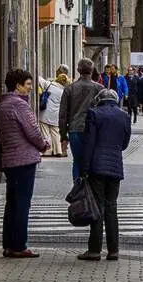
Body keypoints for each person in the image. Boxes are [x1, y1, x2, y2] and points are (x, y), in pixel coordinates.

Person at [0, 68, 48, 258]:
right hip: (24, 159)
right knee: (22, 204)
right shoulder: (20, 106)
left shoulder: (3, 105)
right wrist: (44, 145)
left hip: (10, 159)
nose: (30, 88)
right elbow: (33, 132)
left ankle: (9, 243)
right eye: (27, 84)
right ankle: (19, 244)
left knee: (12, 203)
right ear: (18, 86)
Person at [78, 88, 132, 262]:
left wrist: (83, 169)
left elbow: (89, 143)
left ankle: (94, 250)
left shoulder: (94, 114)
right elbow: (124, 143)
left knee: (97, 208)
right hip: (115, 167)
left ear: (99, 100)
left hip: (96, 167)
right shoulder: (124, 116)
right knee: (111, 207)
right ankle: (113, 250)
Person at [59, 58, 105, 182]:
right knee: (92, 160)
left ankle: (78, 190)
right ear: (92, 70)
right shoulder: (99, 89)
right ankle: (90, 191)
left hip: (75, 129)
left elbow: (63, 114)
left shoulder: (69, 89)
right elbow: (104, 112)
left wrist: (63, 135)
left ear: (78, 70)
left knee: (78, 161)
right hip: (94, 130)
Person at [39, 67, 70, 158]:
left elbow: (39, 79)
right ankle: (58, 150)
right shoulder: (64, 91)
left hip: (45, 113)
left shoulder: (49, 85)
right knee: (56, 132)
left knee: (45, 132)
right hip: (56, 115)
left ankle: (47, 151)